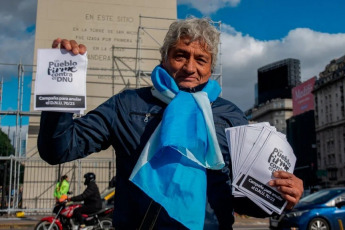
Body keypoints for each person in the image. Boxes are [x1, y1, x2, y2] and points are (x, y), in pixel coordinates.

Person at [38, 17, 303, 229]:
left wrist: (283, 197)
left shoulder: (231, 116)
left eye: (201, 60)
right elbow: (58, 149)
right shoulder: (126, 105)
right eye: (180, 55)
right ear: (164, 58)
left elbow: (242, 198)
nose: (190, 67)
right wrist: (61, 87)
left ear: (211, 68)